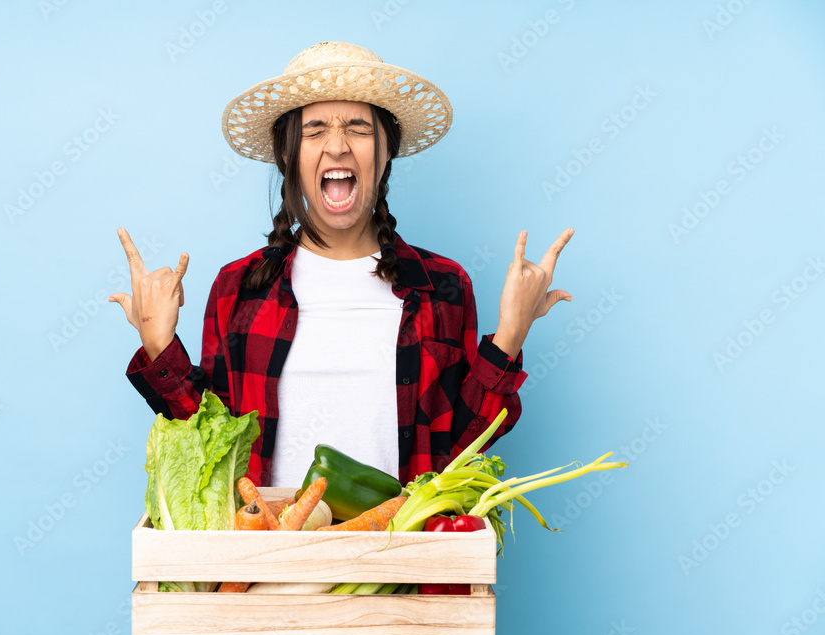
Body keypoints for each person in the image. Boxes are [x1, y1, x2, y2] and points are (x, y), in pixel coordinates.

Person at [109, 41, 573, 488]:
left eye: (358, 128)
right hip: (269, 562)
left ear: (387, 149)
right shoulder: (239, 288)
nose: (337, 147)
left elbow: (460, 453)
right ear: (287, 154)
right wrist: (159, 346)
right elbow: (212, 458)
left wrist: (511, 335)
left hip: (401, 562)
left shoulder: (444, 287)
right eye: (314, 131)